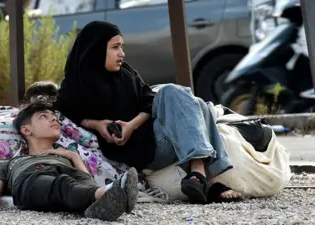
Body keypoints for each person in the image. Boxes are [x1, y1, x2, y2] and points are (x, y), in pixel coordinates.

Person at [54, 21, 243, 204]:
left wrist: (131, 125)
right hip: (143, 152)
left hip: (152, 134)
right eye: (115, 47)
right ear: (96, 49)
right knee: (194, 103)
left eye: (122, 46)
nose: (122, 53)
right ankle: (209, 179)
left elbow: (149, 102)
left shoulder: (126, 74)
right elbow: (66, 113)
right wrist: (97, 124)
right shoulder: (75, 85)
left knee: (188, 99)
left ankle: (198, 172)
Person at [0, 100, 139, 221]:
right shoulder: (12, 163)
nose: (54, 119)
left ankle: (98, 204)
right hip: (32, 177)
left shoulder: (66, 156)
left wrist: (73, 156)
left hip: (69, 173)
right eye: (43, 117)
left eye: (54, 116)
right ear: (26, 130)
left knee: (84, 185)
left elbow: (87, 180)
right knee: (63, 183)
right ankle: (108, 193)